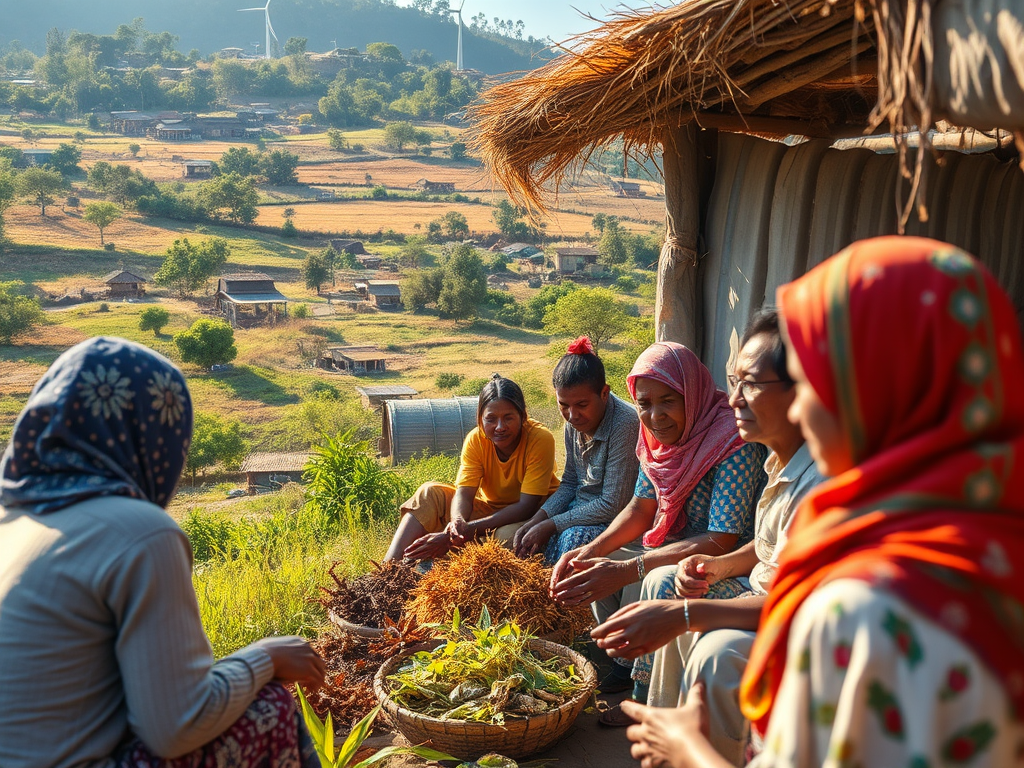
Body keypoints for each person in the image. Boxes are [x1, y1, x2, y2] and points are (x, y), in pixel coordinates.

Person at [623, 237, 1024, 768]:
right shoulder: (993, 536)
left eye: (813, 381)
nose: (803, 405)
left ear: (873, 389)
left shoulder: (860, 605)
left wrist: (687, 750)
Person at [0, 337, 326, 768]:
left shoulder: (12, 522)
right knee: (270, 709)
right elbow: (176, 727)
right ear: (156, 439)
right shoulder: (139, 531)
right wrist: (265, 657)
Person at [591, 309, 824, 760]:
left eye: (751, 384)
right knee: (658, 579)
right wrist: (717, 568)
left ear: (805, 392)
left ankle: (686, 741)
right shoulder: (778, 462)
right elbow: (767, 543)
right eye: (645, 403)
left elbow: (727, 539)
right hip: (728, 573)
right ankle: (658, 717)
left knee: (712, 647)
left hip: (778, 607)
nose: (734, 398)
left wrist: (680, 611)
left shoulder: (749, 452)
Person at [550, 341, 767, 715]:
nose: (655, 416)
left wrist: (625, 569)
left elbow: (722, 538)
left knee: (649, 575)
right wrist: (590, 553)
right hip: (675, 542)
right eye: (644, 404)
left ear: (693, 394)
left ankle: (641, 692)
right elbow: (641, 508)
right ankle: (619, 660)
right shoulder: (655, 440)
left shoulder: (731, 441)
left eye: (668, 400)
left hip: (724, 560)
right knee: (596, 563)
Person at [385, 373, 559, 562]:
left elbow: (526, 506)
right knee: (428, 493)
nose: (500, 427)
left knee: (503, 537)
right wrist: (457, 523)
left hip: (532, 514)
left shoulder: (539, 438)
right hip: (491, 510)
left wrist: (468, 530)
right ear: (480, 419)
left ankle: (456, 557)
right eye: (491, 419)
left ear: (523, 416)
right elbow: (464, 493)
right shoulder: (476, 439)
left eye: (508, 418)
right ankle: (388, 569)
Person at [512, 335, 640, 565]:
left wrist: (552, 524)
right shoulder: (573, 423)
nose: (572, 415)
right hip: (577, 512)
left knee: (572, 541)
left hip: (613, 523)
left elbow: (613, 504)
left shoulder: (625, 424)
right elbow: (570, 483)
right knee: (527, 542)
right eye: (563, 405)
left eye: (582, 405)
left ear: (604, 393)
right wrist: (536, 520)